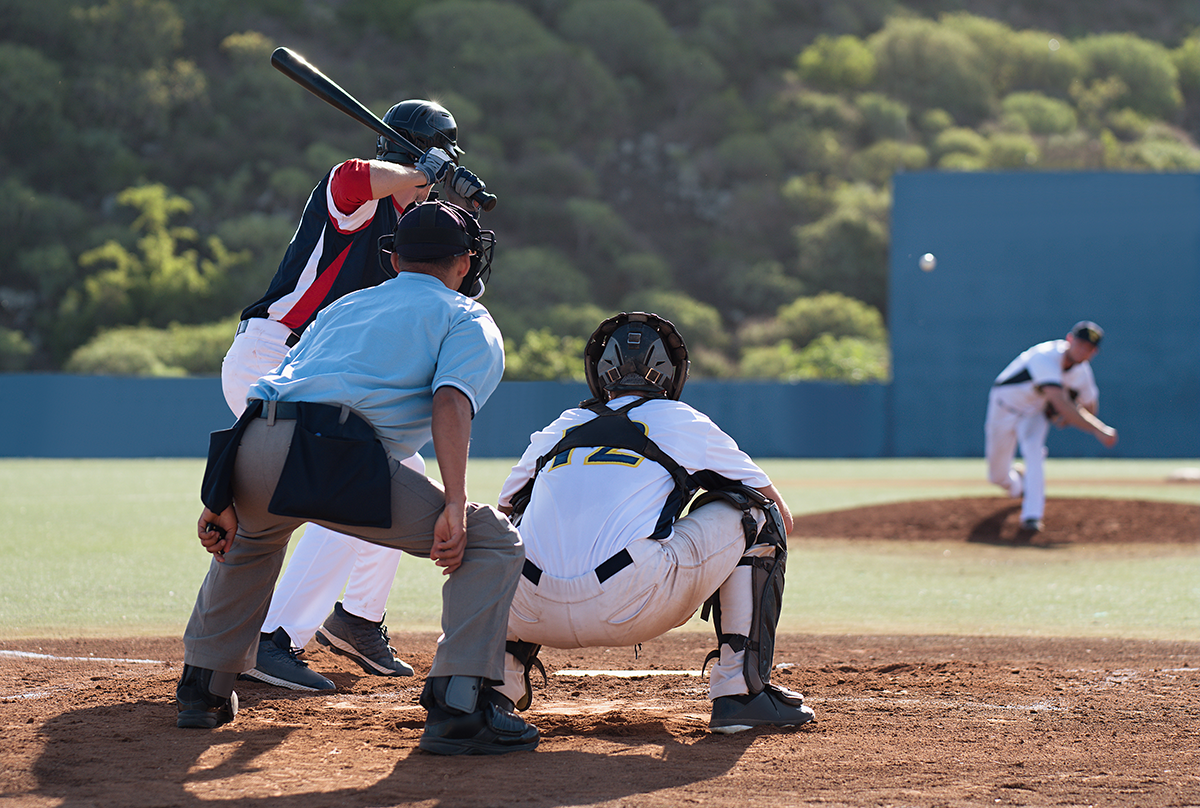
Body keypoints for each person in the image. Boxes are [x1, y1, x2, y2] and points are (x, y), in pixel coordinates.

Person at [178, 200, 539, 756]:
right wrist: (456, 503)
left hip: (254, 440)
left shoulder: (345, 306)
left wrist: (220, 492)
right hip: (335, 453)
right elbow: (450, 402)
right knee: (491, 540)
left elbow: (274, 386)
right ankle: (462, 707)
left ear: (394, 259)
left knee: (249, 540)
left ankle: (202, 690)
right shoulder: (466, 317)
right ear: (465, 264)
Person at [220, 100, 492, 692]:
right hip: (274, 356)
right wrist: (428, 170)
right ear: (420, 153)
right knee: (345, 483)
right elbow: (365, 178)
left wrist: (440, 188)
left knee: (396, 469)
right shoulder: (354, 192)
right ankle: (274, 637)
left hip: (316, 368)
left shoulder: (413, 231)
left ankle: (357, 619)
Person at [493, 312, 816, 734]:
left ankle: (497, 685)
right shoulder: (683, 421)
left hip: (529, 609)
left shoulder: (561, 426)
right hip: (634, 602)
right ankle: (741, 692)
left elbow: (504, 511)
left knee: (520, 524)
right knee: (758, 515)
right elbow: (779, 514)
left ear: (599, 372)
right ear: (671, 374)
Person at [985, 320, 1119, 533]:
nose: (1083, 350)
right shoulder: (1045, 356)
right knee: (996, 476)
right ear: (1069, 340)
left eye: (1090, 348)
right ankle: (1017, 484)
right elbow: (1060, 402)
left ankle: (1032, 516)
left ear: (1094, 352)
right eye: (1080, 343)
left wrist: (1074, 417)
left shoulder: (1082, 372)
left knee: (1034, 452)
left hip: (1033, 413)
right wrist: (1098, 429)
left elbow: (1089, 404)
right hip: (1004, 407)